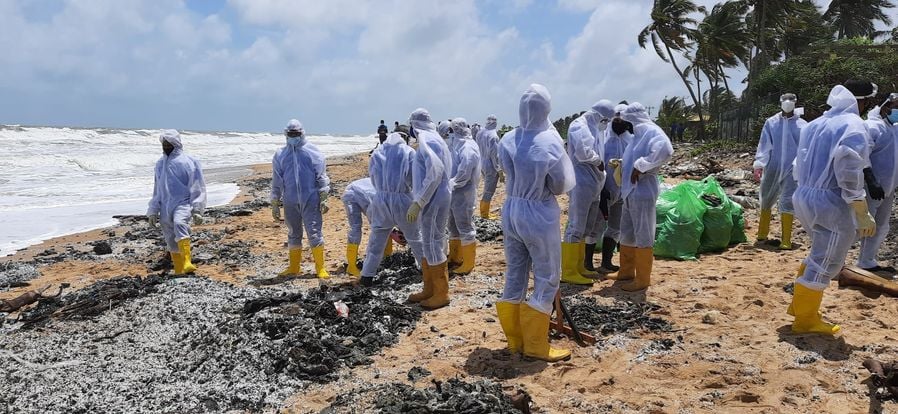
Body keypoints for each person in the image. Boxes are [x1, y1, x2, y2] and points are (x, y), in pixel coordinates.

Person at [788, 82, 877, 335]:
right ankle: (805, 321)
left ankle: (800, 307)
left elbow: (798, 164)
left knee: (818, 251)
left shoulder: (815, 124)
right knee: (827, 260)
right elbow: (849, 169)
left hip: (804, 195)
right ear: (862, 101)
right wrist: (860, 208)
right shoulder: (853, 125)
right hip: (830, 202)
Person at [495, 84, 575, 362]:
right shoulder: (550, 141)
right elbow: (561, 184)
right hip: (538, 212)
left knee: (515, 273)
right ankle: (535, 345)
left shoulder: (508, 139)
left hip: (511, 209)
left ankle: (515, 340)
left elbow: (505, 170)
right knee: (547, 275)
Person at [607, 103, 673, 291]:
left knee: (643, 234)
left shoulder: (651, 131)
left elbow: (665, 150)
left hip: (643, 189)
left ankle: (643, 278)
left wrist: (641, 166)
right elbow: (637, 155)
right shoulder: (638, 133)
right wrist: (624, 163)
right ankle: (626, 271)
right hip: (630, 190)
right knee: (627, 232)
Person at [359, 132, 426, 286]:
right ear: (405, 138)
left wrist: (383, 190)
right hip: (402, 199)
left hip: (381, 199)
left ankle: (367, 275)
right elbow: (414, 179)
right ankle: (426, 269)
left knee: (376, 241)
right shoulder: (408, 152)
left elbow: (373, 177)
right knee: (415, 238)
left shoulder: (378, 152)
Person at [561, 100, 616, 285]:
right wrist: (598, 161)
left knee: (586, 227)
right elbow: (583, 153)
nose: (606, 124)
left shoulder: (595, 128)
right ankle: (569, 271)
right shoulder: (580, 126)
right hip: (581, 182)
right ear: (599, 116)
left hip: (594, 184)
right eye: (605, 120)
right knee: (576, 226)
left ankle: (580, 266)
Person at [271, 119, 331, 279]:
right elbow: (277, 180)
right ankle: (294, 267)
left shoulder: (312, 152)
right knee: (293, 232)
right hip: (290, 201)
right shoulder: (280, 155)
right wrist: (275, 201)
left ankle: (320, 268)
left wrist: (324, 196)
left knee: (314, 232)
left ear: (302, 133)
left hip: (310, 199)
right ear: (286, 134)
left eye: (296, 134)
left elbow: (321, 176)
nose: (293, 137)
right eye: (290, 134)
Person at [406, 108, 453, 310]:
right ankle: (429, 288)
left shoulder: (426, 139)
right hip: (437, 195)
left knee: (433, 242)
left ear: (414, 124)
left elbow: (435, 171)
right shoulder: (435, 138)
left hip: (433, 197)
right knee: (430, 241)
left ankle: (441, 293)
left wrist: (419, 201)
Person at [147, 130, 207, 275]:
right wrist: (153, 210)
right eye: (164, 144)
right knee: (169, 237)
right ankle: (179, 270)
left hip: (183, 202)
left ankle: (187, 262)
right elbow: (157, 189)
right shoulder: (160, 164)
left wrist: (197, 209)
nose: (166, 146)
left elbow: (197, 185)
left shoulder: (188, 162)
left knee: (180, 224)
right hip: (165, 205)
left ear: (176, 143)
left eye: (169, 144)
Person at [753, 93, 807, 250]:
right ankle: (762, 234)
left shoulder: (802, 125)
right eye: (785, 100)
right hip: (773, 166)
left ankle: (786, 240)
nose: (788, 103)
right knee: (766, 197)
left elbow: (804, 149)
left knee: (787, 199)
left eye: (791, 100)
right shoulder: (771, 122)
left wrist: (801, 167)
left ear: (796, 103)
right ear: (780, 102)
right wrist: (759, 164)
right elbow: (764, 144)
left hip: (792, 168)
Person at [586, 103, 632, 274]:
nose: (620, 120)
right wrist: (601, 187)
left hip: (622, 191)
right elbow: (597, 162)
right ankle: (587, 262)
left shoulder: (630, 139)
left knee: (616, 227)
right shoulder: (604, 137)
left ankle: (606, 262)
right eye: (617, 117)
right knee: (595, 227)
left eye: (623, 118)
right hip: (604, 189)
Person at [857, 93, 898, 275]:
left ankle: (867, 261)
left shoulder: (893, 129)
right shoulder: (872, 127)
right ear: (885, 107)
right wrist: (871, 181)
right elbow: (862, 155)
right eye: (896, 107)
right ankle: (835, 261)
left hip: (889, 187)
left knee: (881, 226)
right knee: (862, 225)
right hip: (871, 187)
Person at [446, 118, 482, 274]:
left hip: (464, 192)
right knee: (453, 225)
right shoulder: (458, 145)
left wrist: (451, 183)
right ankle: (455, 257)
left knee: (465, 226)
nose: (449, 134)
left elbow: (464, 173)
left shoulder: (467, 147)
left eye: (451, 130)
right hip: (455, 191)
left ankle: (468, 263)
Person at [342, 177, 393, 277]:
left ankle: (386, 259)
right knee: (356, 228)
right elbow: (378, 224)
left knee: (386, 225)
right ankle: (351, 266)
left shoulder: (391, 195)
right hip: (352, 194)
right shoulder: (380, 198)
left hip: (364, 194)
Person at [477, 115, 503, 219]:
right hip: (490, 165)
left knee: (486, 188)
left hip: (482, 162)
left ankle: (484, 211)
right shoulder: (493, 136)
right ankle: (484, 213)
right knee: (489, 190)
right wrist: (499, 170)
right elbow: (495, 155)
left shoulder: (480, 133)